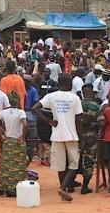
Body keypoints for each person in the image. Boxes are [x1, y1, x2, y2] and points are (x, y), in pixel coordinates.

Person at [33, 74, 83, 202]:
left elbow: (35, 108)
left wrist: (49, 122)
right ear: (67, 84)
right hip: (72, 135)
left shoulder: (51, 96)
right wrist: (81, 139)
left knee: (60, 165)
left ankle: (64, 190)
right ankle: (62, 187)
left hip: (57, 134)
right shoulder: (75, 98)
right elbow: (78, 121)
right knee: (74, 163)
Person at [0, 92, 28, 197]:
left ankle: (5, 190)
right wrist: (22, 137)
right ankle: (17, 189)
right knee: (19, 166)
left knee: (6, 166)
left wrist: (3, 130)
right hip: (18, 141)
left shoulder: (4, 112)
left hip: (7, 141)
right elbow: (25, 125)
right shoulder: (21, 112)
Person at [79, 84, 102, 194]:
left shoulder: (77, 104)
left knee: (75, 160)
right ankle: (85, 187)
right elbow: (102, 123)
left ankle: (70, 185)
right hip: (91, 137)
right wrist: (93, 124)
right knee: (89, 161)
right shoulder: (96, 106)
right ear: (92, 93)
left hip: (77, 137)